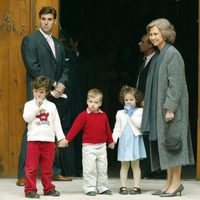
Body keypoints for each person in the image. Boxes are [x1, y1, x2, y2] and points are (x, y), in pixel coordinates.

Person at [17, 6, 72, 186]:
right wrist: (53, 85)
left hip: (57, 92)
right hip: (39, 93)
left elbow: (65, 67)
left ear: (54, 21)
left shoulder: (59, 43)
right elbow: (33, 67)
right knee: (32, 129)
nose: (46, 22)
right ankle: (23, 175)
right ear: (39, 20)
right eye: (43, 19)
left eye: (49, 19)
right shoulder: (30, 40)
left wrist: (62, 84)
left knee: (52, 129)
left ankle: (54, 172)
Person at [141, 18, 194, 197]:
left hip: (171, 110)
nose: (153, 37)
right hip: (162, 109)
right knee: (166, 145)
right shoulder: (159, 54)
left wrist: (170, 107)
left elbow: (176, 83)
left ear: (165, 34)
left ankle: (176, 183)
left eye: (156, 33)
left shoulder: (172, 54)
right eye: (151, 34)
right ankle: (169, 182)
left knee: (173, 144)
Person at [59, 89, 115, 196]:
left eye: (96, 102)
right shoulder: (83, 115)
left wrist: (110, 140)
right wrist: (67, 139)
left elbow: (107, 129)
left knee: (103, 168)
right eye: (90, 101)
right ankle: (89, 188)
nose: (93, 105)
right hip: (89, 147)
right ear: (87, 101)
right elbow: (75, 128)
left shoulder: (103, 115)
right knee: (90, 169)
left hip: (102, 146)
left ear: (100, 103)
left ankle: (103, 187)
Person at [23, 76, 68, 198]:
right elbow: (26, 118)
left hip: (48, 142)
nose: (38, 94)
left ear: (47, 92)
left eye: (41, 92)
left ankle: (48, 188)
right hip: (34, 141)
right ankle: (30, 190)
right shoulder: (29, 105)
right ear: (33, 90)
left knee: (47, 168)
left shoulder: (52, 106)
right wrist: (36, 108)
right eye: (36, 91)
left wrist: (61, 138)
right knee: (31, 167)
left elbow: (56, 124)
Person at [112, 86, 146, 195]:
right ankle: (123, 186)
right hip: (124, 142)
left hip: (135, 141)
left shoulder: (140, 111)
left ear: (136, 100)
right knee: (124, 164)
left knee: (135, 165)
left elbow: (140, 125)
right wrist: (113, 140)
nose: (129, 102)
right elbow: (117, 128)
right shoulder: (120, 113)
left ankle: (137, 186)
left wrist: (131, 114)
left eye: (131, 99)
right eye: (126, 100)